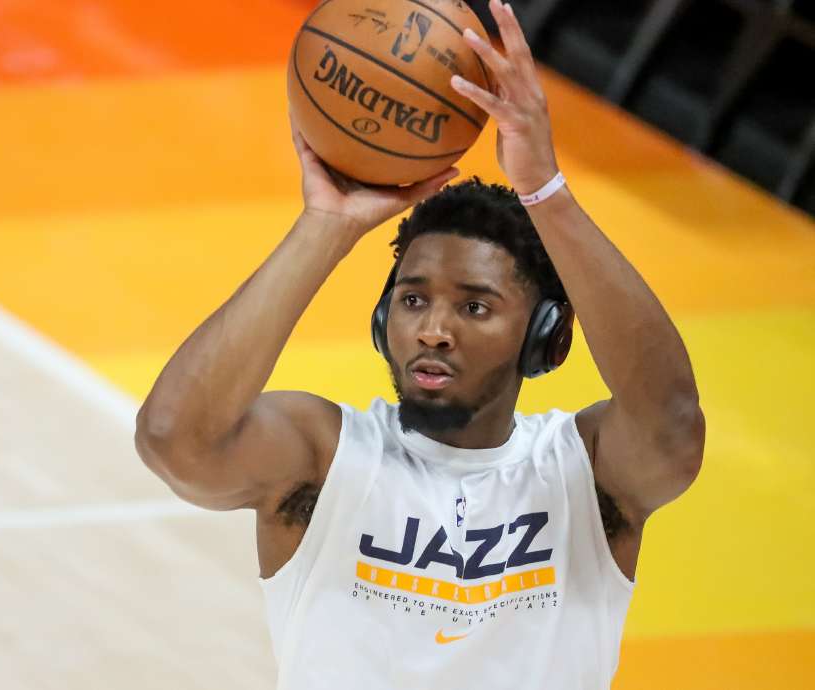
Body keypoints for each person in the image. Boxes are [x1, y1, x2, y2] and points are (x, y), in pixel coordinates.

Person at [133, 1, 704, 688]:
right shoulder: (323, 458)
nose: (433, 329)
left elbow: (671, 423)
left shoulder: (584, 475)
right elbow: (173, 438)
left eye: (474, 306)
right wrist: (327, 224)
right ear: (382, 321)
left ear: (546, 336)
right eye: (412, 299)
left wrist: (545, 191)